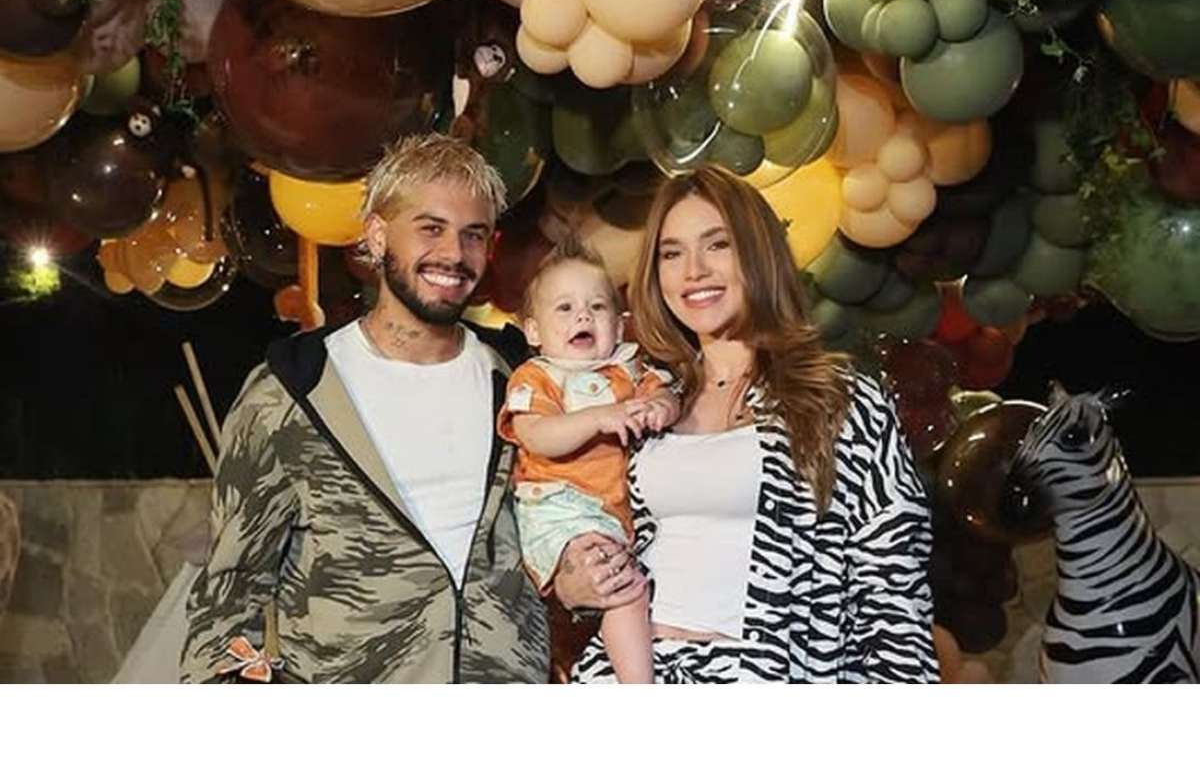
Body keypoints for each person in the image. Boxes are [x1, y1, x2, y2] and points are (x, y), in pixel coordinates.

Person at [180, 134, 549, 683]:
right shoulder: (292, 393)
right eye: (431, 228)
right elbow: (229, 595)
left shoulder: (525, 383)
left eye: (472, 234)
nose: (454, 254)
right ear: (377, 235)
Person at [558, 167, 939, 683]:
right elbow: (583, 529)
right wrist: (574, 584)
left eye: (718, 245)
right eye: (671, 253)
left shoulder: (837, 399)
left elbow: (894, 592)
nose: (693, 271)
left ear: (758, 254)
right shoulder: (646, 402)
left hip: (767, 673)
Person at [497, 235, 680, 683]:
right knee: (623, 590)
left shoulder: (629, 369)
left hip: (615, 512)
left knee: (633, 586)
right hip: (559, 507)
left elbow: (667, 396)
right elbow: (537, 435)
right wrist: (599, 418)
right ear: (534, 331)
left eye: (596, 307)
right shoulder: (537, 376)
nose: (582, 316)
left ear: (618, 327)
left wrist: (662, 407)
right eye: (564, 308)